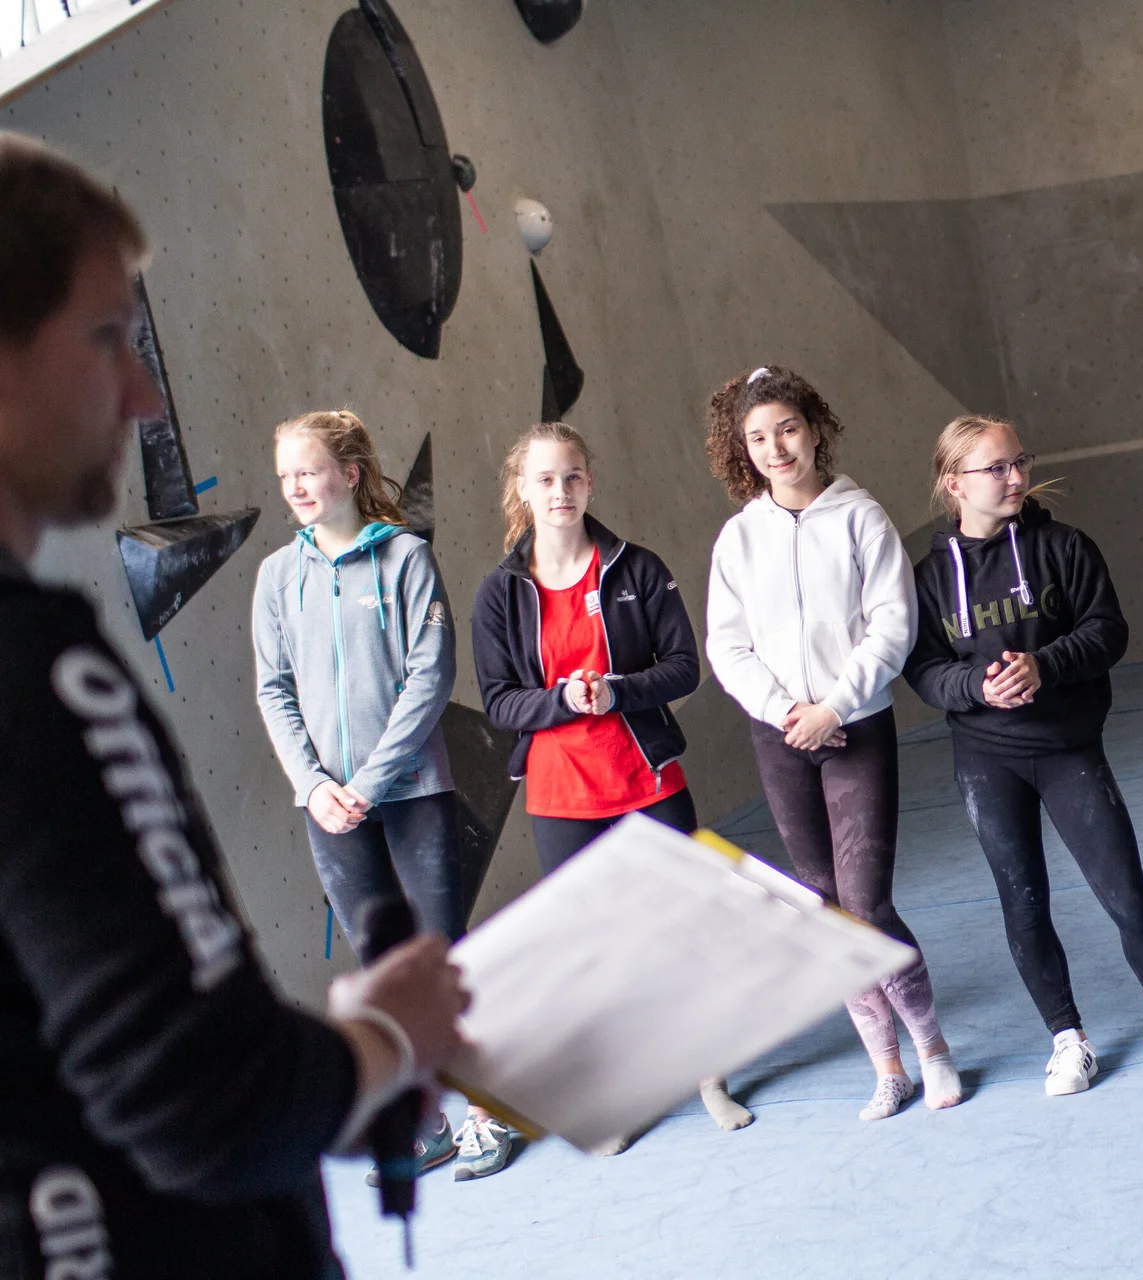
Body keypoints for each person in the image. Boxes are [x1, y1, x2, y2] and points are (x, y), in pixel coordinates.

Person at [0, 131, 466, 1278]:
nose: (145, 390)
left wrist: (335, 1070)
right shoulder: (38, 679)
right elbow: (206, 1097)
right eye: (111, 337)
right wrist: (385, 1039)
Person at [471, 421, 753, 1138]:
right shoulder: (501, 593)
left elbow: (685, 666)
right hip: (560, 792)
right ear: (522, 491)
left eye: (571, 476)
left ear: (590, 482)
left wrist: (619, 690)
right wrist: (561, 700)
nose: (560, 491)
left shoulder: (637, 568)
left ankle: (708, 1076)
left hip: (646, 780)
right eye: (545, 479)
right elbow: (500, 700)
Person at [904, 414, 1143, 1095]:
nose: (1016, 478)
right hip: (987, 760)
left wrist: (1045, 666)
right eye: (996, 468)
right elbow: (922, 669)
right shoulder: (927, 578)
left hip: (1069, 749)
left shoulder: (1064, 547)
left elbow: (1107, 631)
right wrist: (973, 685)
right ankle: (1068, 1039)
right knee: (1023, 904)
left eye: (1019, 463)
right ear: (955, 484)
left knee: (1122, 888)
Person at [704, 366, 963, 1121]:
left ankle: (932, 1049)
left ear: (815, 429)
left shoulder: (861, 518)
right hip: (780, 732)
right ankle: (886, 1068)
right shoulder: (739, 538)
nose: (776, 447)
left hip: (855, 727)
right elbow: (728, 645)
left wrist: (835, 705)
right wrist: (787, 710)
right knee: (824, 911)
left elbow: (892, 624)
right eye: (757, 437)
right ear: (741, 450)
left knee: (868, 903)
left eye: (787, 429)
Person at [254, 408, 492, 1180]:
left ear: (349, 475)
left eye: (309, 471)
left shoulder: (406, 559)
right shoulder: (276, 577)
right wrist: (315, 786)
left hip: (412, 790)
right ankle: (422, 1121)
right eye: (285, 475)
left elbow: (431, 678)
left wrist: (368, 781)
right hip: (328, 808)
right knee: (379, 967)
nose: (295, 487)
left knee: (440, 950)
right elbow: (273, 689)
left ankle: (489, 1110)